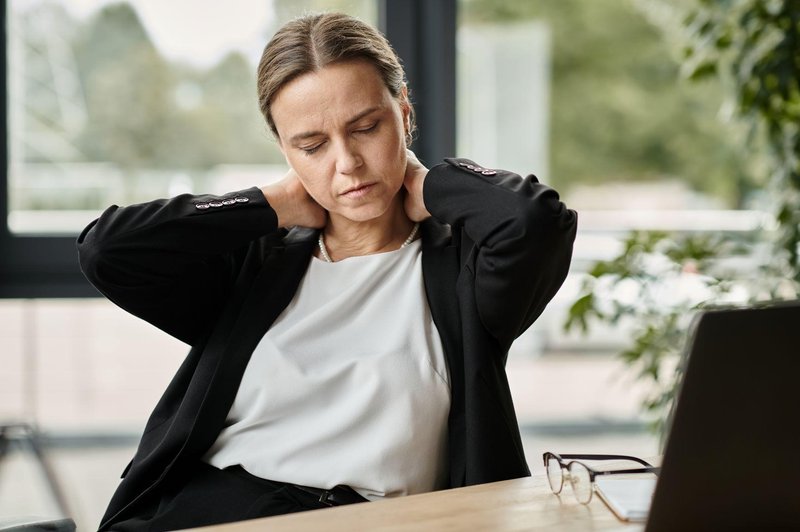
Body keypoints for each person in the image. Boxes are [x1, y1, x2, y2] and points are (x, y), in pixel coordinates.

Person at [77, 12, 577, 531]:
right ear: (284, 150)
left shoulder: (464, 274)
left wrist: (431, 185)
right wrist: (269, 203)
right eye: (312, 146)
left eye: (366, 128)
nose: (347, 163)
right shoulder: (254, 267)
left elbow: (533, 220)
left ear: (404, 112)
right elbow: (107, 251)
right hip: (206, 513)